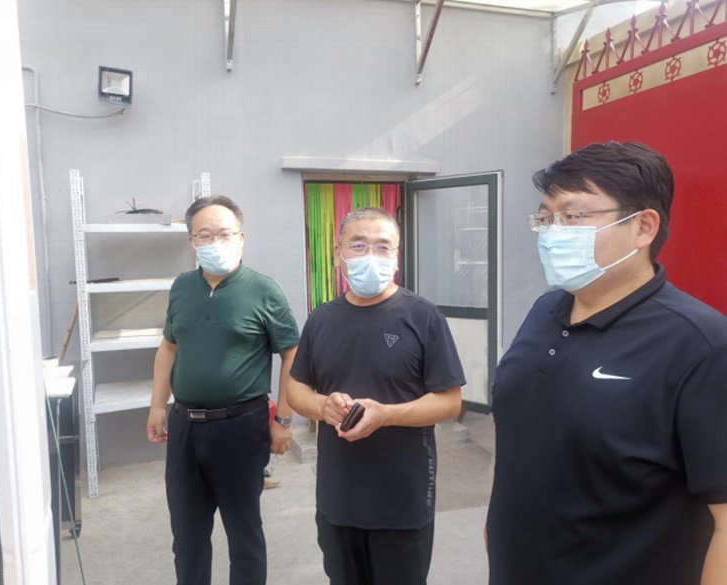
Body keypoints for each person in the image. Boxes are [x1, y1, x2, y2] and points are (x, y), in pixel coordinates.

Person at [487, 142, 727, 585]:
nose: (553, 233)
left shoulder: (701, 344)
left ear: (643, 227)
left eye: (573, 216)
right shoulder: (544, 311)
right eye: (546, 218)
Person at [287, 207, 465, 585]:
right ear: (338, 254)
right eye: (358, 245)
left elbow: (450, 400)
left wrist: (387, 414)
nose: (371, 255)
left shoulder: (423, 317)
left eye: (383, 247)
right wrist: (322, 406)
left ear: (396, 258)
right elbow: (296, 388)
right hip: (337, 497)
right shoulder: (321, 319)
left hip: (401, 500)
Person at [146, 195, 300, 585]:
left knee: (243, 531)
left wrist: (284, 419)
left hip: (240, 427)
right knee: (187, 534)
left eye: (225, 234)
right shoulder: (182, 287)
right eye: (205, 235)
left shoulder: (264, 290)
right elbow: (168, 347)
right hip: (184, 425)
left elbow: (292, 355)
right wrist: (157, 406)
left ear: (241, 238)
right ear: (192, 242)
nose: (215, 242)